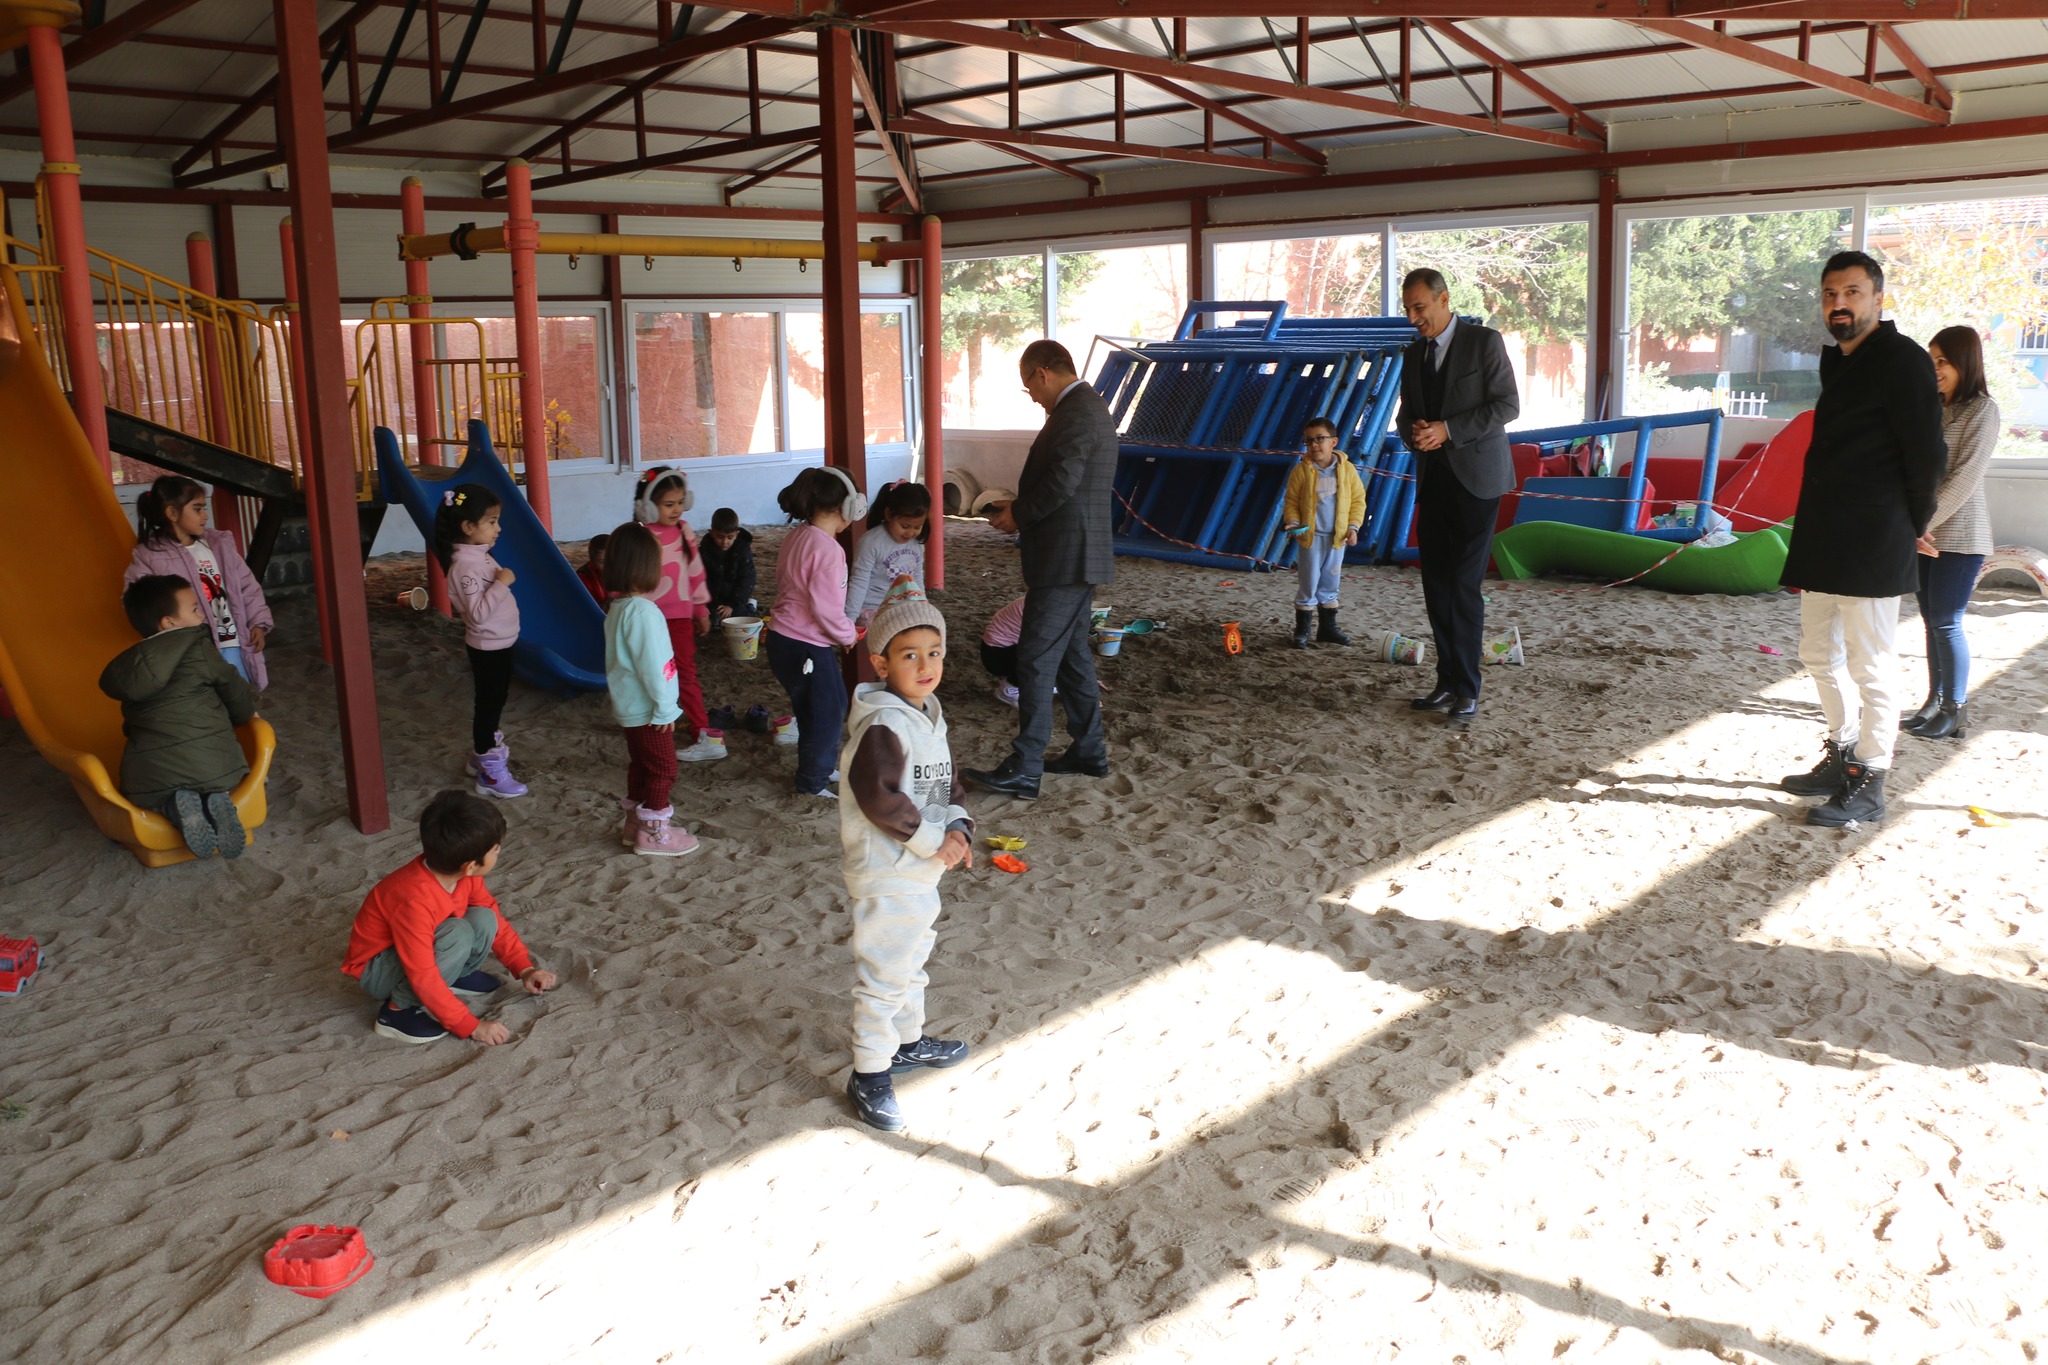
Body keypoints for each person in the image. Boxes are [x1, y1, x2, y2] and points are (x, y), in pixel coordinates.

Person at [1778, 250, 1947, 827]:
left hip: (1875, 537)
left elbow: (1927, 455)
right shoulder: (1844, 361)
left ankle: (1869, 779)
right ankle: (1842, 751)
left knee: (1871, 665)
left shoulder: (1901, 360)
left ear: (1877, 298)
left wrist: (1912, 525)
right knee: (1817, 655)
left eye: (1852, 292)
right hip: (1826, 534)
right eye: (1830, 294)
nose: (1839, 304)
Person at [838, 577, 975, 1131]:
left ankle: (906, 1043)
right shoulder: (884, 724)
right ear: (880, 663)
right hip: (887, 870)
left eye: (934, 653)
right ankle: (869, 1072)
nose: (925, 665)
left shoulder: (927, 712)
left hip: (920, 868)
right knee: (885, 972)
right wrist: (930, 841)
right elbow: (879, 798)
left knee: (913, 958)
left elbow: (943, 782)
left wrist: (959, 825)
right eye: (909, 655)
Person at [962, 340, 1117, 801]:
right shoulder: (1085, 410)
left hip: (1066, 557)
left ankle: (1026, 765)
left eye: (1028, 383)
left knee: (1033, 658)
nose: (1030, 393)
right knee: (1072, 661)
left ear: (1043, 373)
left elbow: (1062, 482)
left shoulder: (1076, 413)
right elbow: (1065, 481)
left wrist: (1019, 515)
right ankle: (1089, 752)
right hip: (1075, 553)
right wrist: (1021, 507)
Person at [1395, 268, 1519, 725]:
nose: (1413, 317)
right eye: (1408, 308)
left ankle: (1468, 689)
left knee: (1463, 588)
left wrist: (1449, 430)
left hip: (1478, 481)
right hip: (1434, 480)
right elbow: (1406, 413)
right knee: (1436, 585)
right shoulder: (1412, 355)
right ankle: (1446, 682)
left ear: (1444, 300)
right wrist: (1414, 433)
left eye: (1420, 307)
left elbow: (1507, 405)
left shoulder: (1485, 342)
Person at [340, 790, 559, 1045]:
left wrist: (524, 968)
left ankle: (454, 974)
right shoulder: (414, 901)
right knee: (457, 933)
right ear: (470, 865)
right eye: (496, 849)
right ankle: (396, 1013)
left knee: (485, 917)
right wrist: (471, 1026)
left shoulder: (465, 877)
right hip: (376, 971)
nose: (499, 853)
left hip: (415, 952)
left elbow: (494, 921)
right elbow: (422, 973)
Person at [98, 574, 257, 859]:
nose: (201, 615)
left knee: (161, 787)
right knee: (213, 773)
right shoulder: (200, 650)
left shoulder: (129, 667)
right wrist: (246, 715)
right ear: (169, 623)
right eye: (195, 609)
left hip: (150, 772)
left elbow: (130, 724)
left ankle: (175, 806)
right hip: (213, 761)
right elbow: (236, 694)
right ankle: (217, 798)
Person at [1903, 325, 1999, 743]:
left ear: (1965, 362)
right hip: (1925, 535)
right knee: (1929, 621)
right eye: (1931, 360)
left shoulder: (1983, 410)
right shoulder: (1933, 408)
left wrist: (1917, 525)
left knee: (1946, 621)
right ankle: (1934, 701)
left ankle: (1955, 710)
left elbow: (1964, 479)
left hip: (1960, 535)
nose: (1934, 368)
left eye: (1943, 361)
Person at [766, 466, 863, 798]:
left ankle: (821, 766)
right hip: (804, 644)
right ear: (847, 507)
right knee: (825, 712)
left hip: (786, 640)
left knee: (828, 704)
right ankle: (812, 781)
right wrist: (848, 635)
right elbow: (827, 608)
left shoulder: (797, 536)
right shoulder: (829, 551)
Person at [125, 475, 274, 690]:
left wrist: (258, 622)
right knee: (211, 700)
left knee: (243, 697)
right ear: (172, 513)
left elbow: (247, 587)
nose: (205, 515)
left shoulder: (219, 545)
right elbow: (138, 601)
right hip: (192, 651)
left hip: (234, 642)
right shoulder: (148, 556)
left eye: (204, 508)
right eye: (197, 509)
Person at [602, 522, 698, 857]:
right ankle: (655, 834)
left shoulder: (618, 609)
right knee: (663, 768)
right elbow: (655, 665)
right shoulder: (643, 612)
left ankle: (634, 825)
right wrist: (666, 708)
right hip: (649, 711)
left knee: (642, 766)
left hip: (632, 710)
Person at [434, 484, 527, 798]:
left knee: (494, 702)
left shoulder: (479, 557)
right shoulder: (466, 567)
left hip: (502, 643)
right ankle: (488, 774)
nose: (498, 528)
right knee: (488, 706)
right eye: (491, 521)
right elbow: (477, 615)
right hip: (489, 648)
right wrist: (501, 583)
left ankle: (479, 756)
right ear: (468, 527)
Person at [632, 468, 724, 763]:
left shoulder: (684, 531)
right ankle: (653, 723)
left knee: (685, 673)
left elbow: (695, 573)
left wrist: (701, 609)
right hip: (646, 620)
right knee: (646, 671)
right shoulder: (639, 535)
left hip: (680, 621)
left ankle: (702, 731)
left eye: (680, 502)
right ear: (646, 505)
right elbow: (627, 577)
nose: (676, 509)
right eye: (668, 504)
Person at [1283, 415, 1367, 649]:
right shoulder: (1301, 471)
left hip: (1337, 539)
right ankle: (1302, 630)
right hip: (1310, 539)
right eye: (1309, 441)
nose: (1314, 445)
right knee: (1308, 583)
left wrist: (1353, 527)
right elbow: (1290, 501)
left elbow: (1358, 501)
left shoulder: (1347, 470)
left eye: (1320, 439)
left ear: (1334, 442)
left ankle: (1327, 629)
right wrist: (1292, 521)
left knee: (1330, 582)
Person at [846, 481, 932, 629]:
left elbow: (917, 577)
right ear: (889, 514)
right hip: (874, 609)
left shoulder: (916, 544)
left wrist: (923, 607)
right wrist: (849, 620)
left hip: (904, 607)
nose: (910, 533)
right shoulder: (871, 542)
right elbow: (859, 581)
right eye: (905, 526)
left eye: (917, 527)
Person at [700, 508, 757, 621]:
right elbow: (699, 579)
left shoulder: (743, 552)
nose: (725, 542)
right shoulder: (704, 552)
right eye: (720, 537)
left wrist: (732, 604)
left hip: (733, 598)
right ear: (711, 533)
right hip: (712, 599)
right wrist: (701, 603)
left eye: (730, 537)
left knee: (740, 617)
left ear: (736, 534)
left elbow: (747, 579)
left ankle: (750, 606)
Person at [981, 594, 1026, 706]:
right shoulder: (1042, 604)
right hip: (997, 656)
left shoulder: (1044, 597)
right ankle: (1010, 689)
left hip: (1002, 649)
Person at [576, 532, 610, 604]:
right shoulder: (582, 579)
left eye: (614, 558)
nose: (610, 565)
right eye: (602, 562)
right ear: (592, 561)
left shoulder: (626, 571)